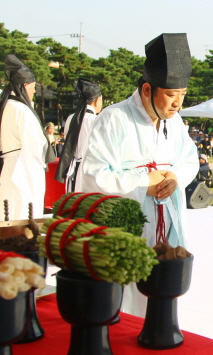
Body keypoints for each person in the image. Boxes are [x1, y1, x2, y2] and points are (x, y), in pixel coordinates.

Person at [81, 33, 198, 317]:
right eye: (171, 95)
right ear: (147, 90)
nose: (177, 104)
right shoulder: (114, 118)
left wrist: (175, 178)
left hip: (167, 221)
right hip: (129, 224)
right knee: (127, 296)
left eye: (182, 95)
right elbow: (95, 174)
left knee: (162, 293)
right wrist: (144, 183)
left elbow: (189, 159)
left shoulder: (176, 121)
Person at [0, 54, 50, 222]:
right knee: (20, 212)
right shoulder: (21, 110)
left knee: (7, 211)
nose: (34, 92)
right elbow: (35, 145)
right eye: (33, 88)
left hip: (7, 166)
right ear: (25, 85)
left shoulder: (6, 106)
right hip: (21, 168)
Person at [55, 78, 103, 192]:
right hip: (89, 170)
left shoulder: (70, 118)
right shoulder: (96, 120)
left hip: (73, 168)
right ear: (96, 100)